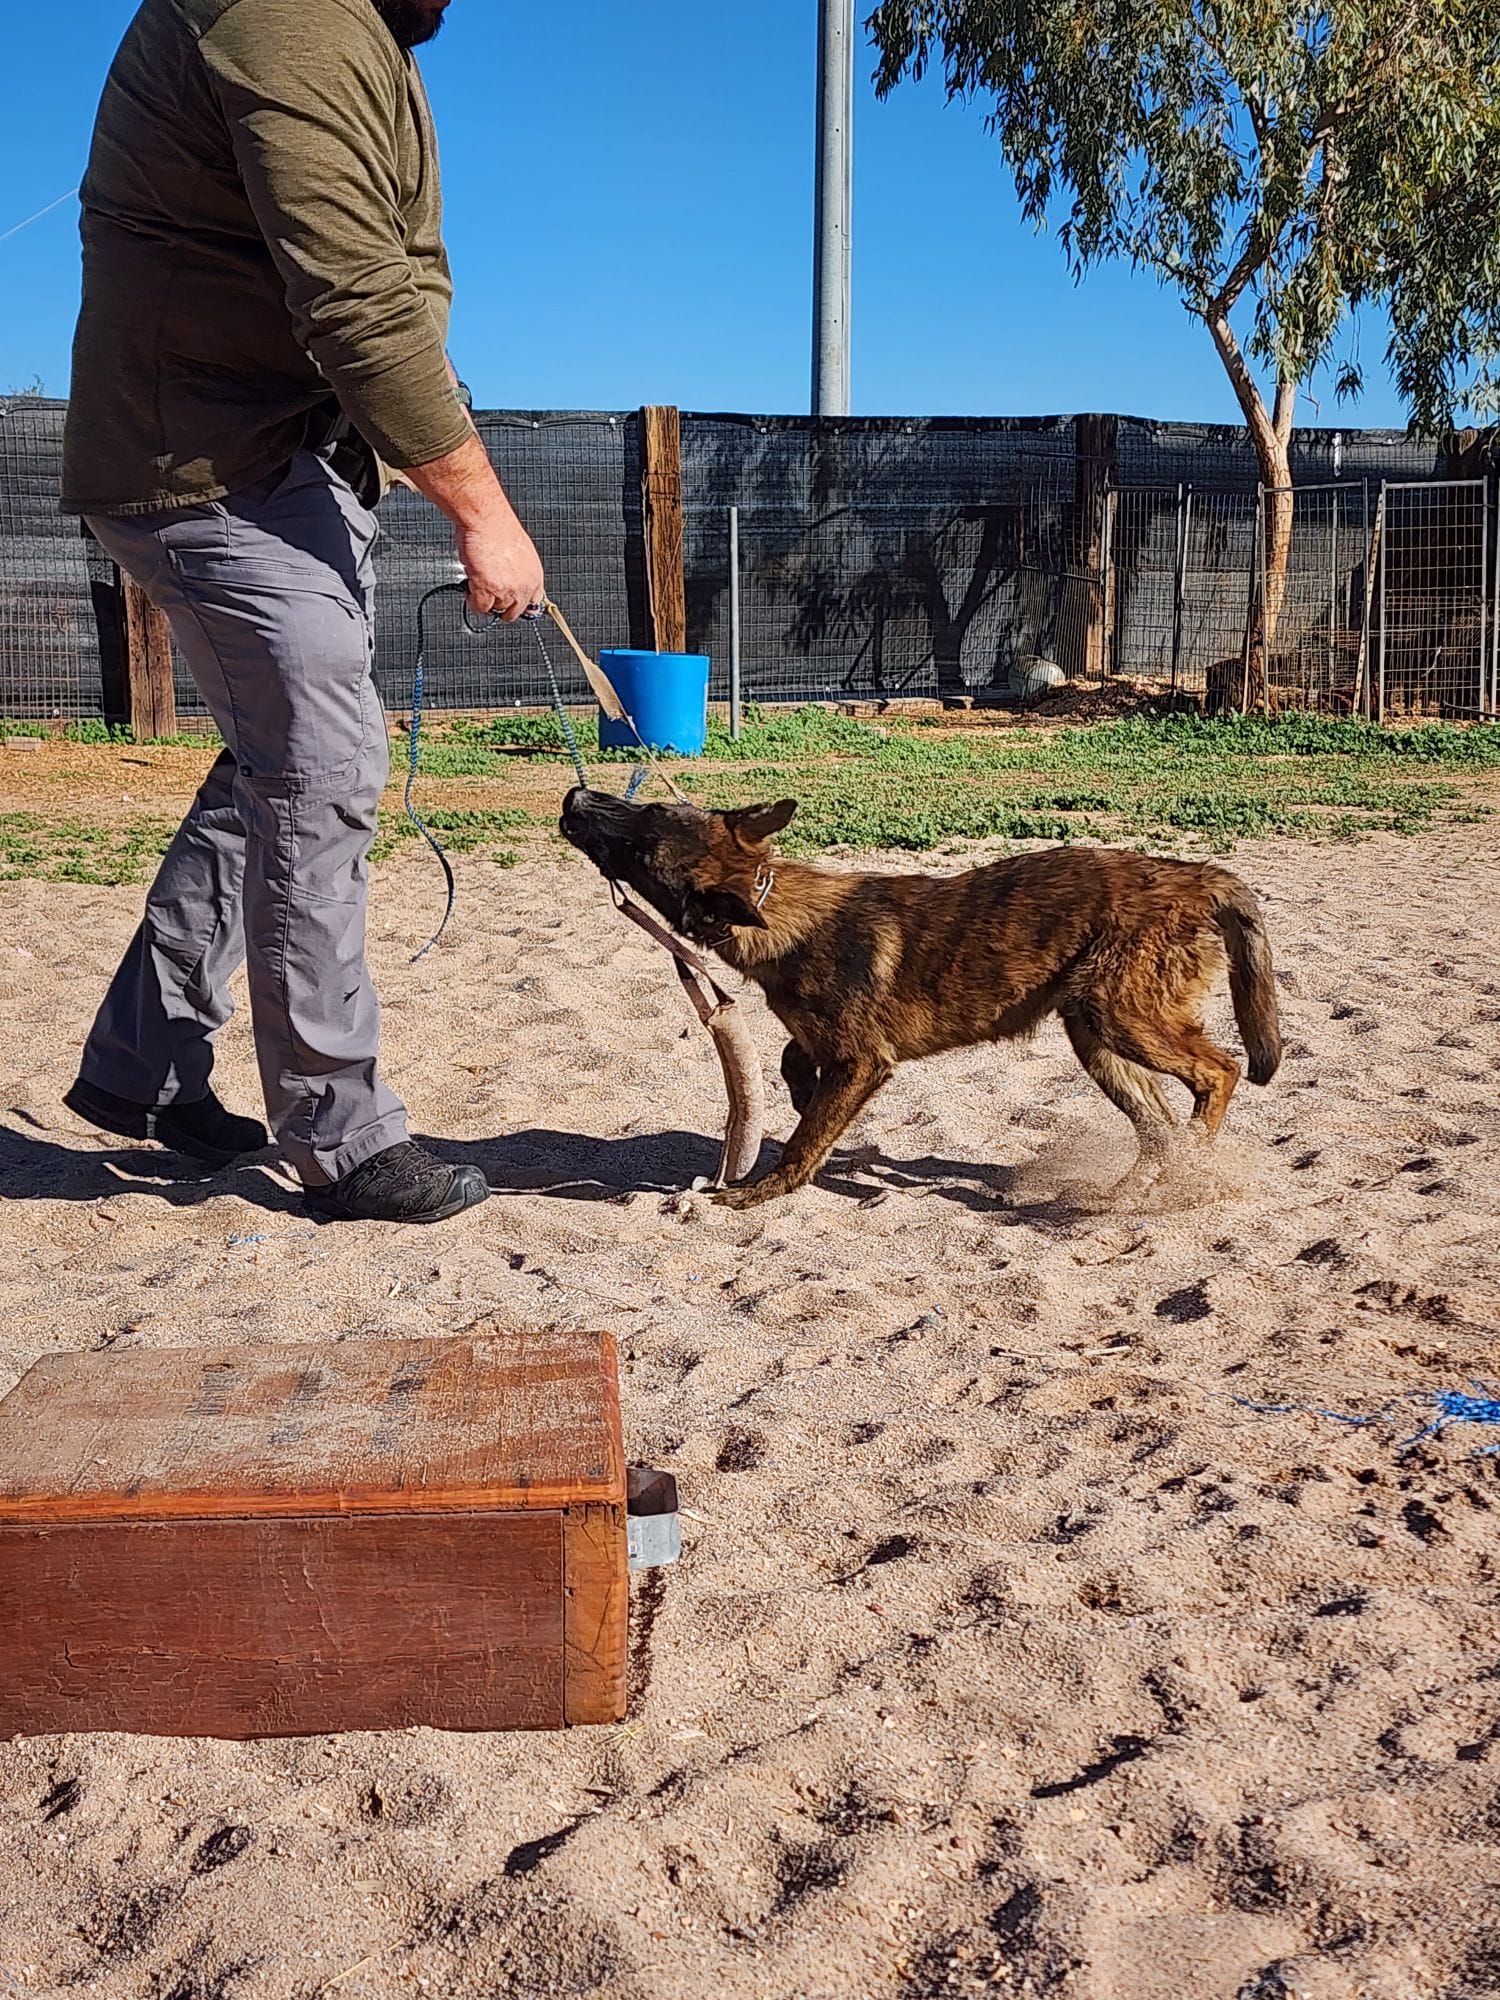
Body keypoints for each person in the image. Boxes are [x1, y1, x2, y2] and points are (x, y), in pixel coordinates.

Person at [58, 0, 543, 1223]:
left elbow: (385, 294)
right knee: (321, 764)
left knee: (270, 769)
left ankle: (142, 1065)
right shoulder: (287, 12)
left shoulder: (365, 35)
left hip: (282, 459)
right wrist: (482, 510)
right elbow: (357, 303)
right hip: (205, 467)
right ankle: (340, 1132)